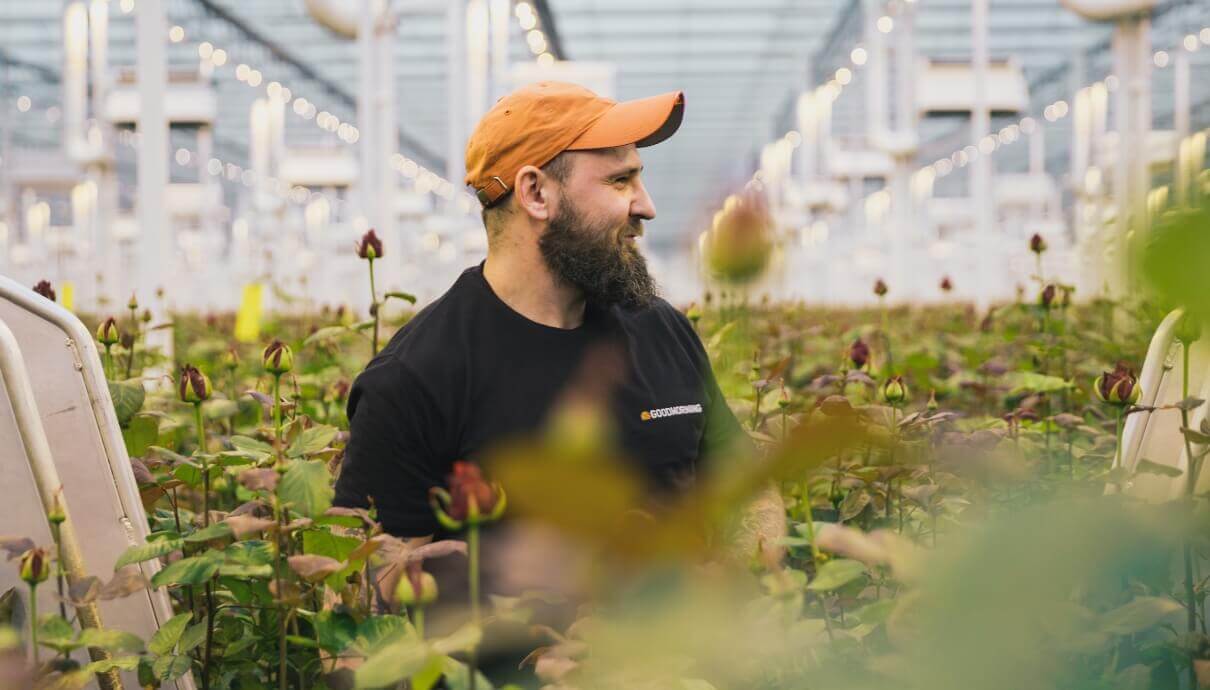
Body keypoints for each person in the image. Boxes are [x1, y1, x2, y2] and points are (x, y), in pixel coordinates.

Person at [332, 80, 785, 683]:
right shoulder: (419, 376)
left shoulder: (663, 331)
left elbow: (747, 485)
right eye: (620, 181)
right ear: (536, 192)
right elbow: (363, 601)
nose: (646, 205)